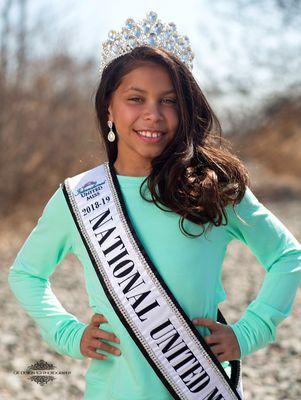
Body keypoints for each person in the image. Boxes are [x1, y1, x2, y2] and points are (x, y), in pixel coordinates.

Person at [8, 11, 301, 400]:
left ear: (186, 111)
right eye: (135, 99)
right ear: (109, 109)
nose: (153, 114)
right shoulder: (79, 196)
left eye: (169, 101)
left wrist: (250, 332)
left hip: (201, 386)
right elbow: (26, 274)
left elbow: (287, 255)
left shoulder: (215, 187)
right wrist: (68, 334)